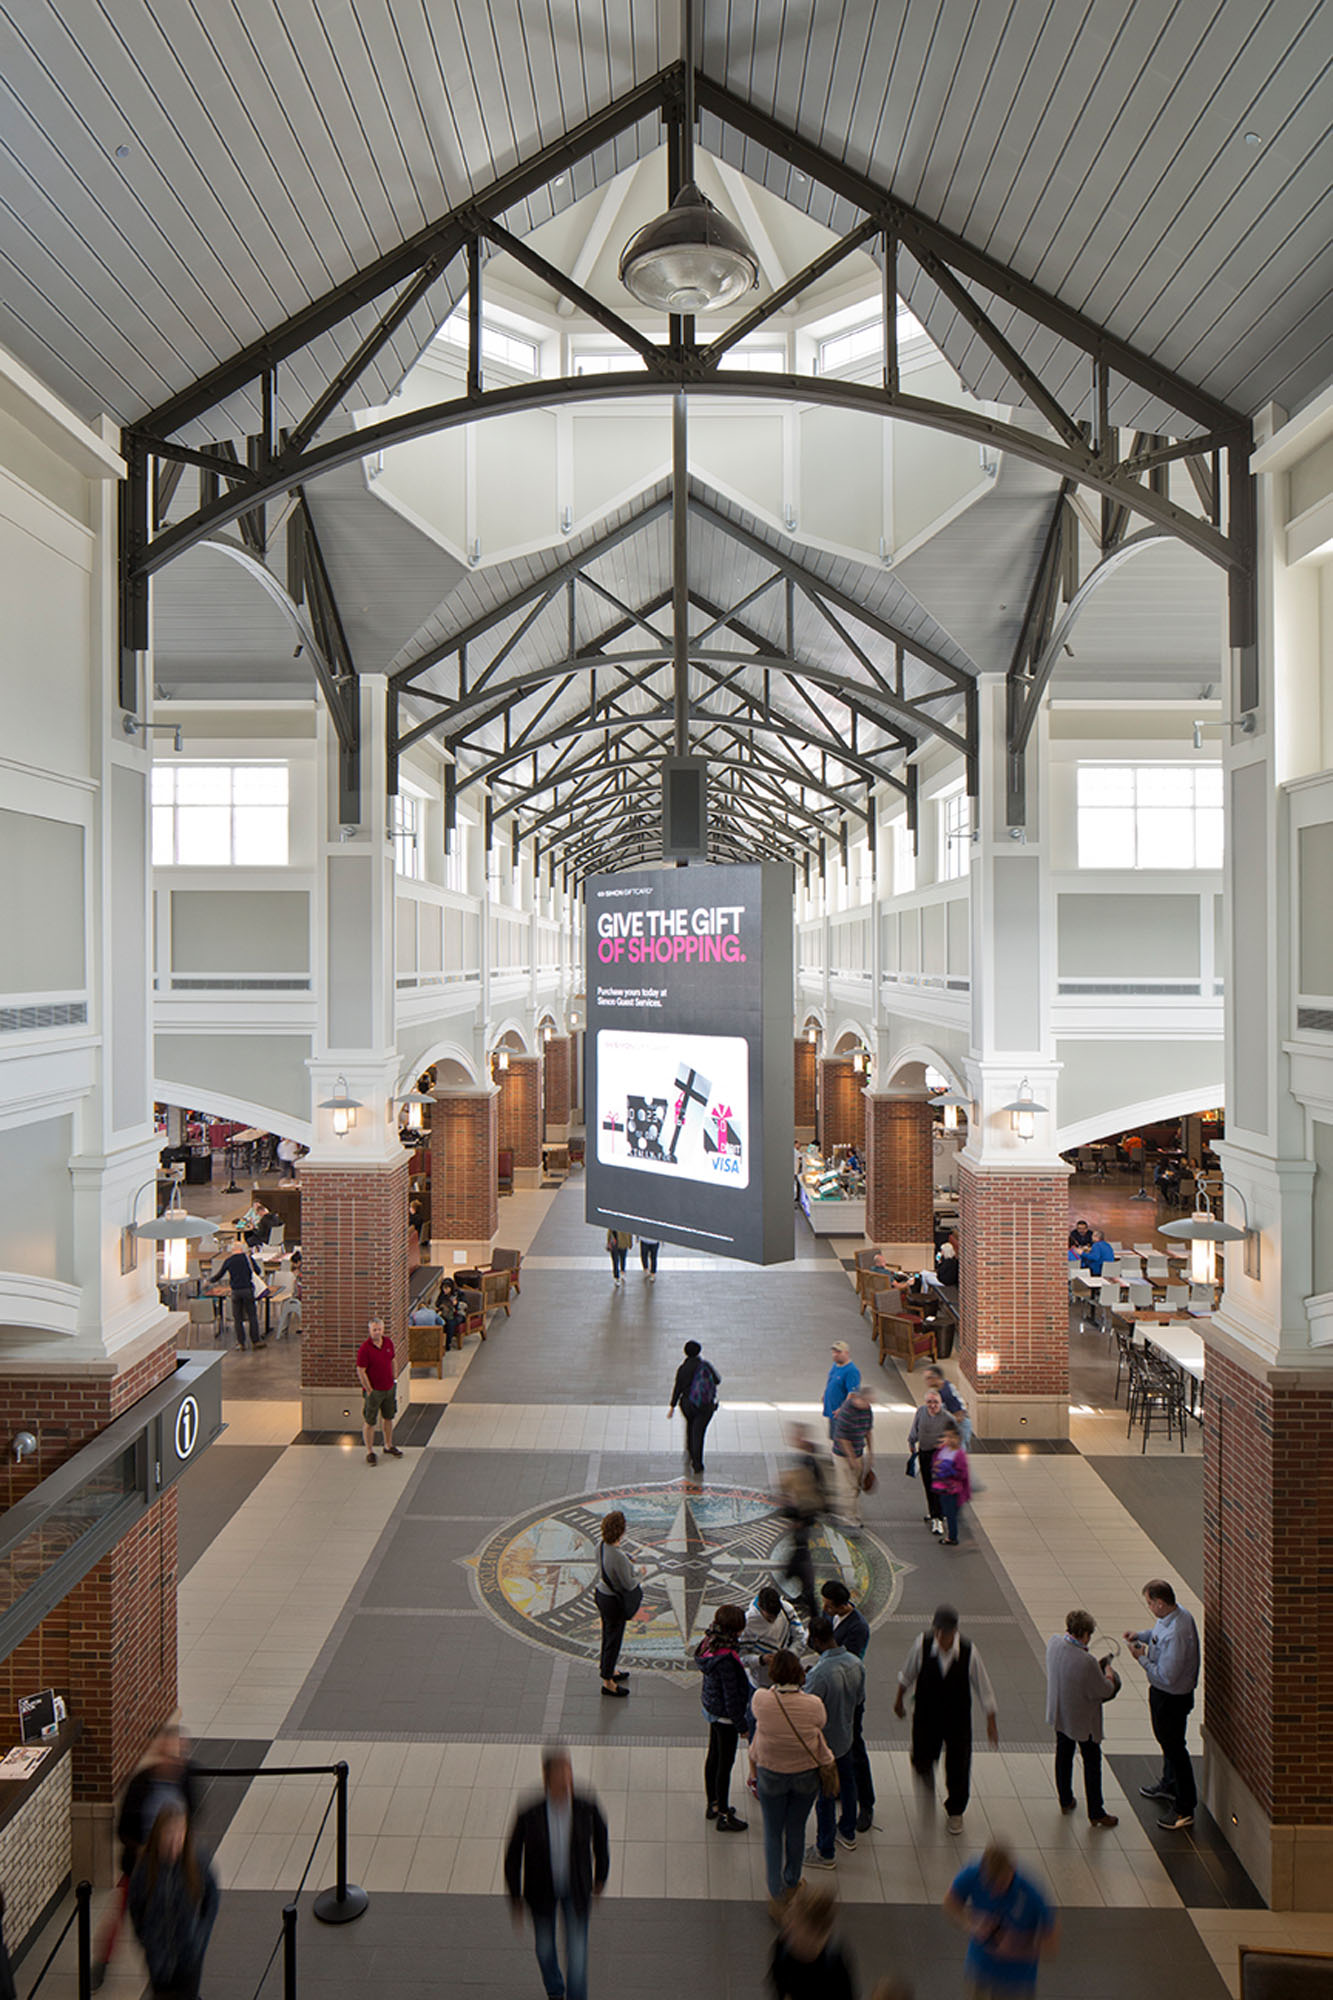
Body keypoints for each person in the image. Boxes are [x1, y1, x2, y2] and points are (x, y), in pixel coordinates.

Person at [94, 1722, 198, 1989]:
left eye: (178, 1755)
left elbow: (194, 1813)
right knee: (123, 1911)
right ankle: (102, 1961)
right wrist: (142, 1850)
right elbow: (122, 1830)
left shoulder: (186, 1778)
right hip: (142, 1864)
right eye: (168, 1755)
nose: (173, 1762)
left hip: (174, 1859)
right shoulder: (141, 1783)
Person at [505, 1749, 609, 2000]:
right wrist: (515, 1896)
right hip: (541, 1891)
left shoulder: (587, 1808)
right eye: (561, 1777)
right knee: (544, 1949)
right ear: (547, 1779)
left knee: (577, 1956)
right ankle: (554, 1989)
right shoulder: (530, 1813)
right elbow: (513, 1855)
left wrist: (600, 1878)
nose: (567, 1782)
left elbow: (601, 1843)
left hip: (576, 1889)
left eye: (569, 1774)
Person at [894, 1603, 999, 1834]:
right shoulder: (922, 1644)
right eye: (938, 1632)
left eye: (946, 1633)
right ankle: (927, 1779)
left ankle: (955, 1810)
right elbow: (907, 1673)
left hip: (957, 1718)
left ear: (955, 1631)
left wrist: (991, 1722)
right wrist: (899, 1699)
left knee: (959, 1764)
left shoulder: (969, 1651)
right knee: (921, 1755)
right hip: (926, 1714)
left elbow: (984, 1688)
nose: (941, 1638)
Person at [749, 1649, 835, 1917]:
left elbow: (756, 1720)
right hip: (805, 1776)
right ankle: (792, 1880)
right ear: (800, 1673)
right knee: (796, 1829)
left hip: (771, 1775)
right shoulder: (813, 1704)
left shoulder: (762, 1699)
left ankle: (776, 1892)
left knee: (773, 1833)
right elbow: (821, 1723)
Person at [1124, 1577, 1200, 1829]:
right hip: (1164, 1694)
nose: (1149, 1607)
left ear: (1159, 1603)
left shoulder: (1178, 1633)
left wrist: (1141, 1658)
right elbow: (1157, 1635)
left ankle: (1184, 1807)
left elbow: (1166, 1674)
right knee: (1167, 1742)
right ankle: (1169, 1784)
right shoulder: (1174, 1617)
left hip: (1171, 1698)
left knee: (1175, 1747)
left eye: (1149, 1603)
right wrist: (1141, 1636)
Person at [943, 1841, 1058, 1998]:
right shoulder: (972, 1874)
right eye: (989, 1884)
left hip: (1015, 1982)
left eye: (1001, 1883)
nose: (994, 1892)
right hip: (979, 1971)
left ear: (1012, 1870)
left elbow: (1051, 1946)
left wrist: (1016, 1948)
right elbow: (950, 1903)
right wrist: (971, 1924)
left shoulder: (1032, 1894)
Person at [127, 1803, 219, 2000]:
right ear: (159, 1835)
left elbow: (212, 1898)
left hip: (188, 1955)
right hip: (158, 1957)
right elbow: (135, 1905)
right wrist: (145, 1936)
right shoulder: (145, 1868)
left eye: (179, 1834)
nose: (174, 1840)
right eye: (169, 1834)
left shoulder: (197, 1862)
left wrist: (200, 1934)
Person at [1044, 1610, 1121, 1828]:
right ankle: (1096, 1811)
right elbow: (1104, 1690)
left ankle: (1066, 1799)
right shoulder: (1086, 1661)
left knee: (1063, 1755)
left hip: (1060, 1714)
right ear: (1085, 1634)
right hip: (1082, 1721)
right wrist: (1108, 1672)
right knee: (1092, 1762)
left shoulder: (1054, 1643)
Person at [802, 1615, 865, 1869]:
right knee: (848, 1784)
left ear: (817, 1640)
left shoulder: (820, 1674)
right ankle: (848, 1832)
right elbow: (859, 1699)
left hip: (825, 1744)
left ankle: (825, 1850)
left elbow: (808, 1709)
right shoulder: (856, 1663)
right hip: (847, 1736)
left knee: (826, 1795)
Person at [819, 1580, 875, 1833]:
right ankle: (842, 1787)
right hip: (832, 1689)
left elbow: (848, 1663)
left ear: (841, 1605)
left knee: (854, 1746)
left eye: (828, 1605)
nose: (824, 1608)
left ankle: (866, 1803)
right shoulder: (830, 1614)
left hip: (850, 1696)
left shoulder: (858, 1628)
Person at [693, 1604, 751, 1832]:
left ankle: (713, 1804)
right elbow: (732, 1697)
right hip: (725, 1716)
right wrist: (742, 1725)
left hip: (711, 1707)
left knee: (713, 1756)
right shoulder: (726, 1659)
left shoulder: (709, 1643)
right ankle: (724, 1814)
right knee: (725, 1764)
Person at [770, 1883, 856, 2000]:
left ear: (814, 1934)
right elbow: (778, 1981)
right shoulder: (783, 1946)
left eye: (795, 1929)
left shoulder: (834, 1963)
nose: (786, 1932)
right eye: (788, 1923)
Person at [777, 1427, 828, 1614]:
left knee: (800, 1558)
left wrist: (798, 1516)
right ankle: (804, 1593)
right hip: (804, 1518)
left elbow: (808, 1493)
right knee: (800, 1552)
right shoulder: (807, 1460)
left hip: (804, 1517)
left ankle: (810, 1602)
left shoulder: (808, 1462)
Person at [592, 1510, 640, 1697]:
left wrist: (625, 1557)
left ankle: (609, 1669)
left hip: (602, 1595)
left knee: (607, 1635)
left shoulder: (601, 1545)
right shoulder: (618, 1557)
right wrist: (639, 1573)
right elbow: (628, 1583)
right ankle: (608, 1682)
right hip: (614, 1602)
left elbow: (609, 1560)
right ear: (621, 1531)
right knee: (614, 1640)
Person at [668, 1339, 721, 1479]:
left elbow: (677, 1388)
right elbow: (717, 1380)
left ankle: (689, 1452)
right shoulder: (705, 1366)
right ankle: (697, 1464)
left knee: (690, 1426)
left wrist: (672, 1405)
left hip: (687, 1404)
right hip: (704, 1406)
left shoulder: (683, 1368)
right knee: (699, 1432)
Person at [206, 1234, 267, 1351]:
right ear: (242, 1249)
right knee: (252, 1316)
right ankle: (256, 1341)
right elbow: (258, 1272)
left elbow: (219, 1275)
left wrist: (209, 1281)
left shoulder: (229, 1261)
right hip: (248, 1290)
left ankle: (241, 1343)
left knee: (237, 1318)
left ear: (232, 1250)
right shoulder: (247, 1259)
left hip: (235, 1291)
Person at [356, 1316, 402, 1465]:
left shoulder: (388, 1342)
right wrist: (369, 1389)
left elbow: (393, 1359)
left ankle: (388, 1445)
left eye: (379, 1329)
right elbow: (361, 1370)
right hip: (374, 1391)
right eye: (374, 1329)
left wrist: (394, 1378)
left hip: (389, 1388)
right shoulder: (365, 1349)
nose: (377, 1332)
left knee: (388, 1417)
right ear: (369, 1331)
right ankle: (370, 1451)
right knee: (370, 1421)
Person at [742, 1585, 808, 1689]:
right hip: (762, 1683)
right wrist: (760, 1660)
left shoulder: (787, 1609)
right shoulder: (747, 1623)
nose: (773, 1620)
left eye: (776, 1616)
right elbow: (741, 1657)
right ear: (759, 1606)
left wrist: (789, 1657)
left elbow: (800, 1637)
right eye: (769, 1618)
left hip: (788, 1679)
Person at [907, 1388, 951, 1537]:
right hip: (924, 1453)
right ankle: (935, 1512)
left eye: (935, 1402)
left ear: (941, 1403)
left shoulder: (946, 1417)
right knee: (929, 1485)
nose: (932, 1405)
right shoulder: (921, 1412)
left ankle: (937, 1518)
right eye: (929, 1402)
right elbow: (915, 1428)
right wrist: (912, 1442)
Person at [830, 1384, 874, 1527]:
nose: (868, 1404)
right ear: (859, 1398)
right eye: (866, 1401)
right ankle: (851, 1518)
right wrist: (851, 1458)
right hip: (842, 1455)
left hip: (858, 1452)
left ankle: (852, 1513)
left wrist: (871, 1453)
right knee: (848, 1487)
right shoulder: (847, 1411)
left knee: (855, 1486)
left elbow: (868, 1431)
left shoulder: (867, 1409)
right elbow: (842, 1438)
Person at [931, 1423, 971, 1547]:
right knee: (949, 1512)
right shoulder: (942, 1450)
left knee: (951, 1513)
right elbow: (935, 1463)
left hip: (953, 1489)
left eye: (952, 1437)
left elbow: (962, 1473)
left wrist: (950, 1471)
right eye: (947, 1437)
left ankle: (952, 1537)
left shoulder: (959, 1454)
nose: (949, 1440)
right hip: (942, 1487)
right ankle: (952, 1532)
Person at [923, 1366, 972, 1448]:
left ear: (936, 1378)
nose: (926, 1381)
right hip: (956, 1425)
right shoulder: (944, 1386)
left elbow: (959, 1416)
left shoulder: (946, 1393)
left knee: (958, 1453)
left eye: (928, 1378)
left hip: (960, 1426)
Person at [822, 1342, 860, 1441]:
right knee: (834, 1437)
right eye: (834, 1352)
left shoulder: (852, 1371)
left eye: (839, 1352)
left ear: (846, 1353)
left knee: (841, 1440)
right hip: (832, 1411)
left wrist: (842, 1410)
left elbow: (852, 1394)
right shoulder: (836, 1365)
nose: (835, 1355)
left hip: (841, 1414)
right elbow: (831, 1380)